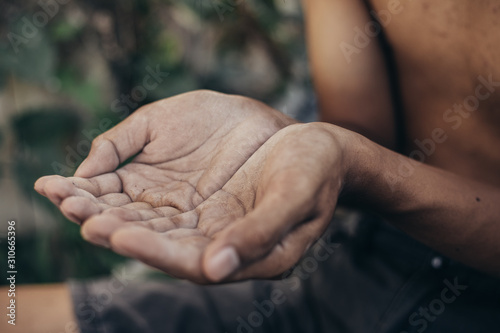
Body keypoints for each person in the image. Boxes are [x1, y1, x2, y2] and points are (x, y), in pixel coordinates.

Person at [3, 0, 500, 332]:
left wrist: (356, 164)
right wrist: (275, 138)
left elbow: (362, 159)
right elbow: (366, 133)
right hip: (363, 268)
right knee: (12, 315)